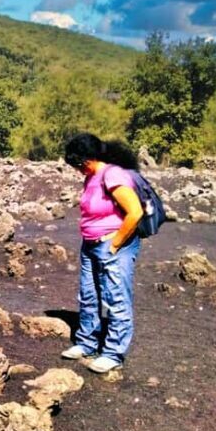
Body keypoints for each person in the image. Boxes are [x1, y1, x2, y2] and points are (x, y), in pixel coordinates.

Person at [60, 133, 144, 373]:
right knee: (88, 295)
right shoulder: (92, 177)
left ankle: (113, 352)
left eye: (76, 165)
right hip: (90, 245)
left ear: (84, 160)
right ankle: (86, 342)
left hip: (112, 244)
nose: (76, 170)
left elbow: (134, 212)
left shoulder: (113, 174)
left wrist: (115, 243)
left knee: (116, 298)